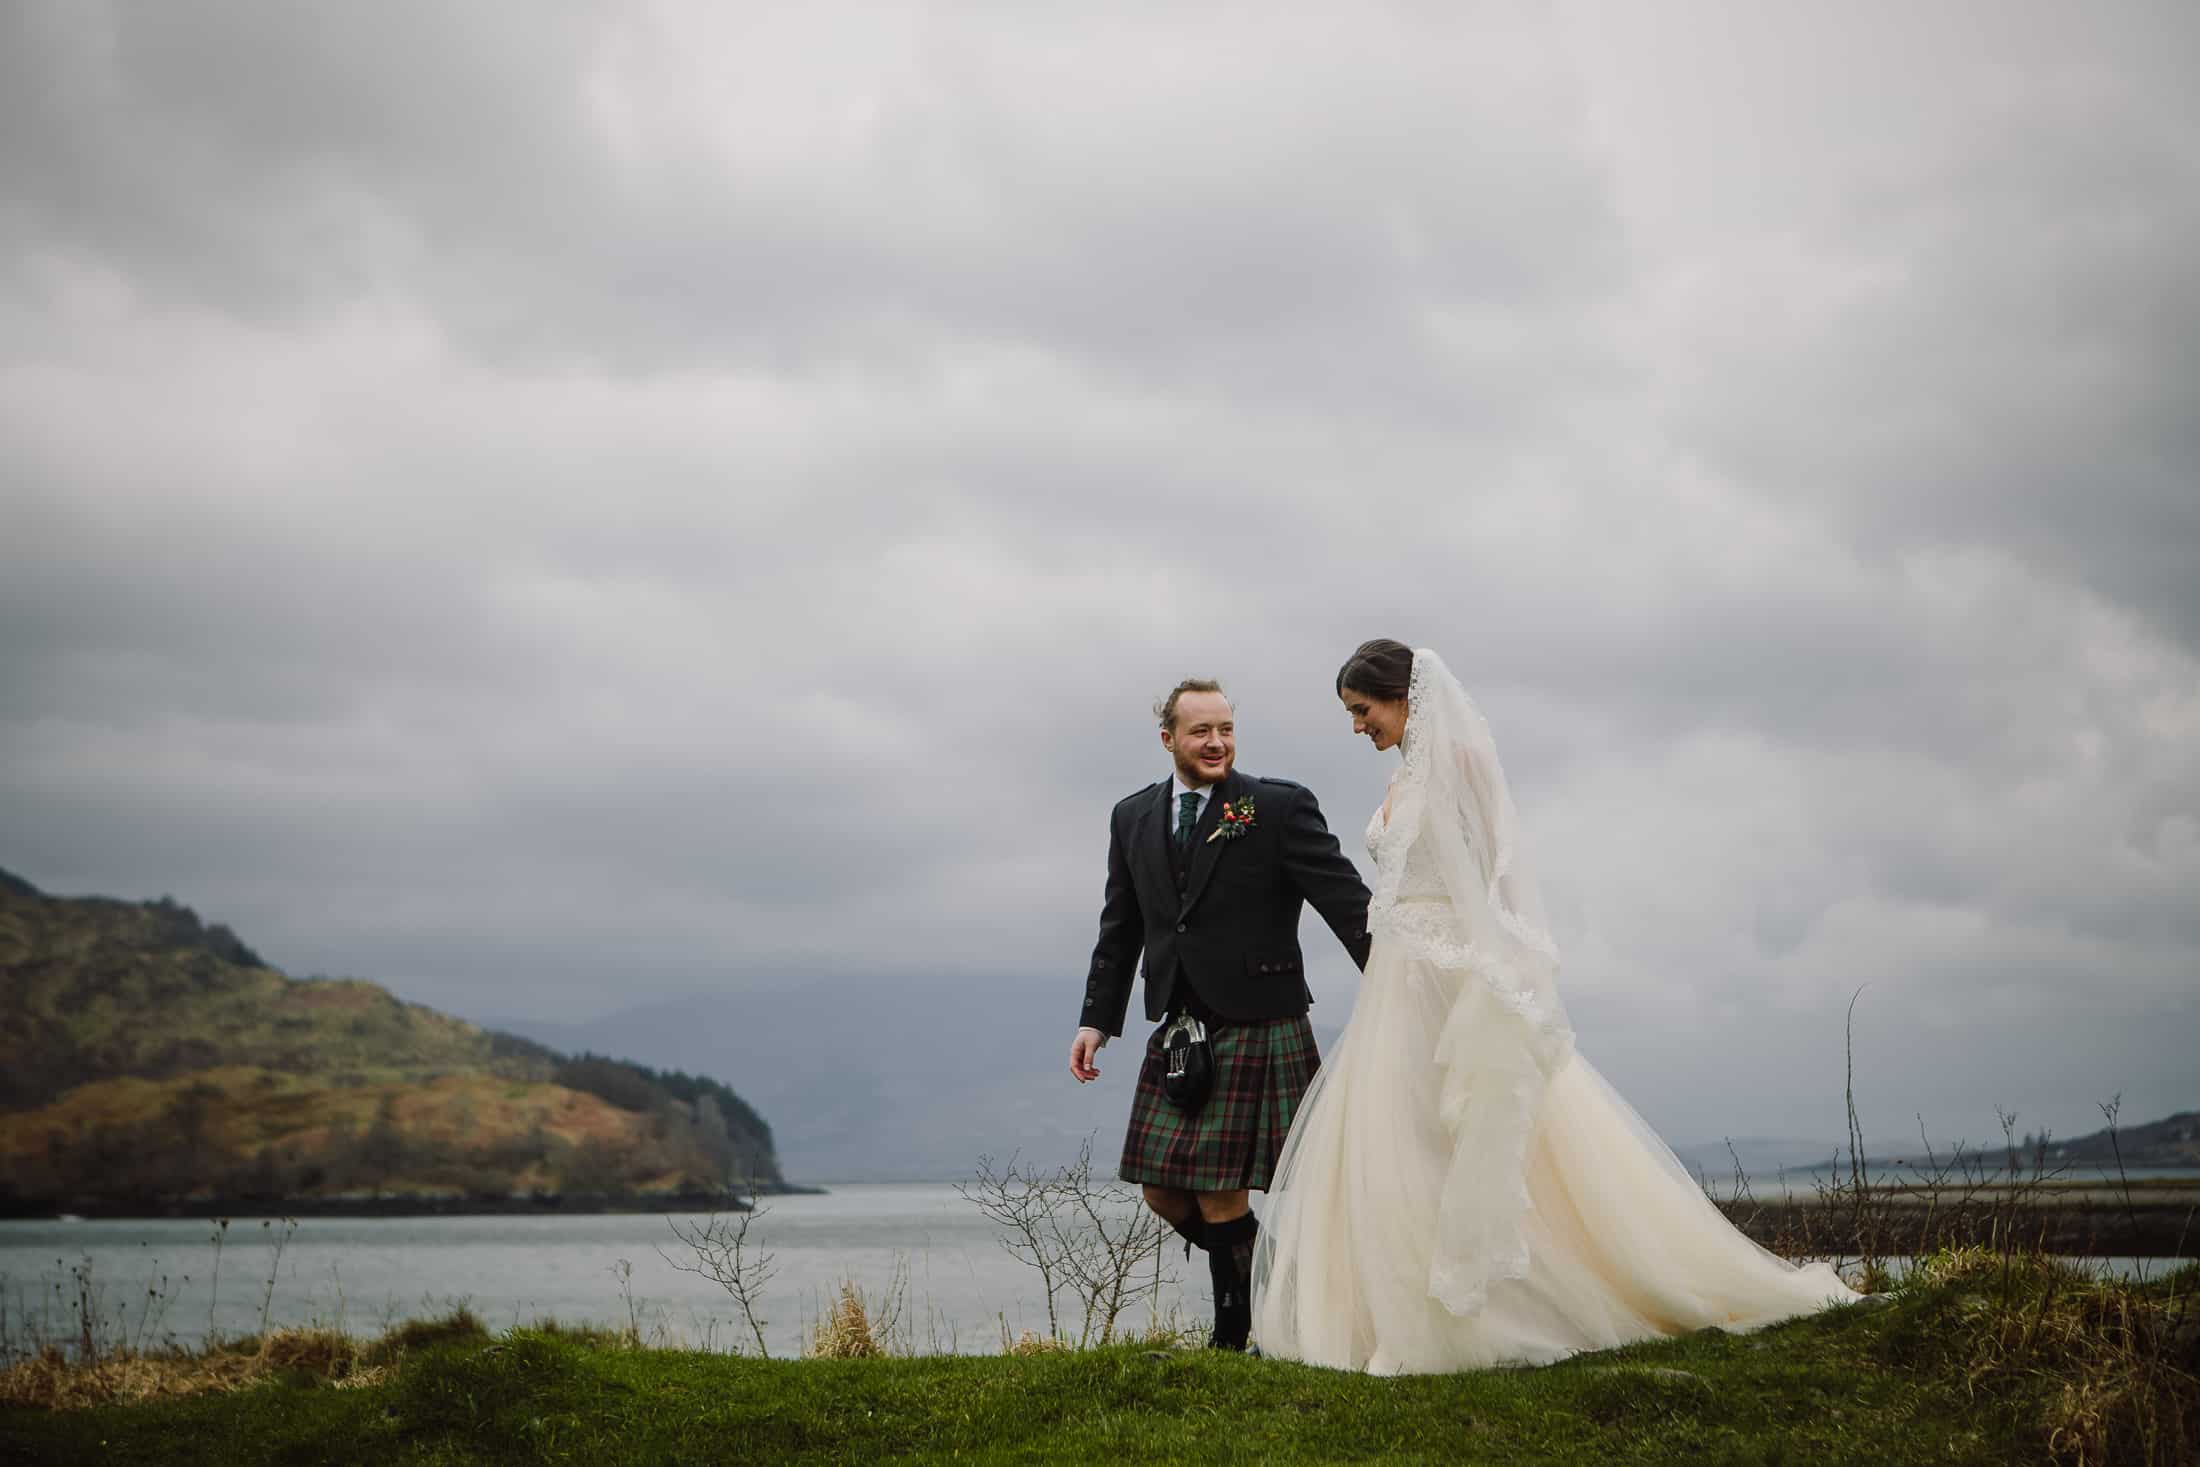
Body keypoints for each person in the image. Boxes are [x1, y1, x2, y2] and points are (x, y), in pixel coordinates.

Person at [1252, 640, 1858, 1373]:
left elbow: (1497, 877)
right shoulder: (1399, 777)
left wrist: (1498, 980)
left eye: (1363, 709)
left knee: (1465, 1137)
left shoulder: (1466, 767)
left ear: (1401, 694)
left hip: (1450, 979)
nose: (1357, 725)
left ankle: (1476, 1311)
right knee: (1400, 1145)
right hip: (1396, 985)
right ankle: (1399, 1315)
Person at [1071, 676, 1372, 1350]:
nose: (1217, 742)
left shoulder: (1275, 806)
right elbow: (1120, 927)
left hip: (1261, 1020)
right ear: (1169, 738)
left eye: (1226, 729)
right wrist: (1096, 1020)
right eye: (1202, 731)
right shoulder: (1133, 816)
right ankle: (1284, 1289)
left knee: (1220, 1194)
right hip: (1181, 1029)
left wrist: (1394, 978)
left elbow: (1347, 903)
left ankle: (1235, 1337)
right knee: (1162, 1191)